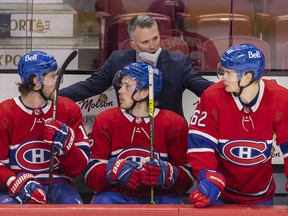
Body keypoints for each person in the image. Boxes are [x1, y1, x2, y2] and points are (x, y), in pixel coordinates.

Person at [187, 43, 288, 207]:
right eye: (223, 71)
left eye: (229, 73)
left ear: (248, 77)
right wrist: (208, 175)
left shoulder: (281, 99)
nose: (223, 77)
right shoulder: (211, 96)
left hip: (261, 195)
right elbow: (200, 144)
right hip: (220, 192)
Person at [59, 14, 214, 119]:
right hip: (127, 134)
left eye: (155, 38)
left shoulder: (178, 63)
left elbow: (204, 88)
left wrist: (231, 93)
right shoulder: (118, 60)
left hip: (168, 136)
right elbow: (89, 87)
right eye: (145, 42)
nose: (153, 45)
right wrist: (52, 96)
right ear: (133, 44)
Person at [83, 62, 194, 204]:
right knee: (103, 202)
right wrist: (112, 171)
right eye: (122, 85)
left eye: (127, 86)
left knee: (172, 204)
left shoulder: (174, 123)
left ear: (144, 92)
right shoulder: (106, 120)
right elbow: (90, 176)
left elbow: (188, 177)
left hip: (160, 196)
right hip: (116, 194)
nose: (120, 90)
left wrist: (168, 174)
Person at [0, 51, 90, 204]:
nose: (58, 82)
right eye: (53, 77)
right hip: (18, 185)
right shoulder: (5, 112)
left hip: (59, 184)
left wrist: (68, 148)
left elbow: (78, 168)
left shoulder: (68, 109)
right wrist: (12, 182)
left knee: (75, 211)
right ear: (36, 81)